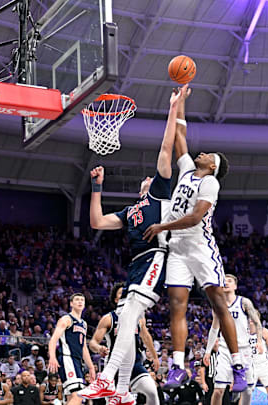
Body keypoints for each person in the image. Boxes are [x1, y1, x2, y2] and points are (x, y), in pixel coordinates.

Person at [79, 86, 186, 405]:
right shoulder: (130, 211)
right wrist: (97, 187)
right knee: (126, 321)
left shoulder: (160, 193)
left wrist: (174, 109)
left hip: (156, 257)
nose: (149, 179)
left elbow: (166, 149)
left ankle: (107, 379)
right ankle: (122, 392)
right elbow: (97, 222)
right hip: (136, 265)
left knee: (128, 319)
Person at [139, 90, 238, 393]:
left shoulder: (210, 183)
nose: (203, 153)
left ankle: (237, 363)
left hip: (199, 245)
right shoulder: (186, 170)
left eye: (209, 156)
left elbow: (195, 217)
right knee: (176, 305)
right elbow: (180, 133)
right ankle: (178, 367)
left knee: (218, 301)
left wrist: (162, 225)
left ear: (213, 166)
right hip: (177, 248)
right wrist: (180, 98)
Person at [87, 283, 161, 405]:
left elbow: (146, 337)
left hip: (135, 364)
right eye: (122, 294)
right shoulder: (109, 318)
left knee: (152, 392)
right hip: (115, 367)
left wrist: (154, 356)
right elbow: (93, 342)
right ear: (117, 300)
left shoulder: (139, 317)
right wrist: (99, 348)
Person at [204, 275, 258, 405]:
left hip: (243, 349)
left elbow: (257, 323)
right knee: (218, 390)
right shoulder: (218, 305)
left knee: (248, 390)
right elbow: (214, 328)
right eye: (224, 281)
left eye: (230, 281)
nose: (226, 283)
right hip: (224, 350)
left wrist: (259, 341)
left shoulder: (244, 302)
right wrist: (207, 351)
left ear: (235, 286)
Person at [47, 293, 95, 403]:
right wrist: (52, 357)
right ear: (71, 304)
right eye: (77, 300)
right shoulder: (66, 319)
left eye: (82, 300)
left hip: (77, 361)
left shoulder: (84, 324)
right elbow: (53, 340)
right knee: (79, 395)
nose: (80, 302)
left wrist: (91, 367)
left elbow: (84, 348)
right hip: (67, 359)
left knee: (72, 398)